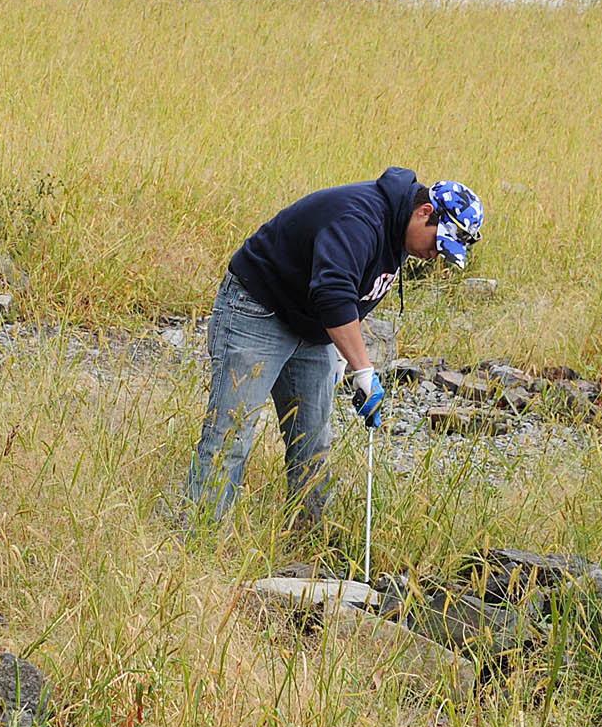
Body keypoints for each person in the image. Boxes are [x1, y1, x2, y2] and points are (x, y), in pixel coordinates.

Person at [182, 169, 483, 535]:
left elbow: (353, 291)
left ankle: (308, 542)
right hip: (258, 309)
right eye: (439, 244)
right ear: (424, 213)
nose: (435, 255)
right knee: (232, 432)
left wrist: (341, 353)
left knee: (312, 442)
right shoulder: (358, 218)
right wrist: (363, 369)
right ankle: (198, 539)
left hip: (312, 326)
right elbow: (333, 290)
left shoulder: (402, 233)